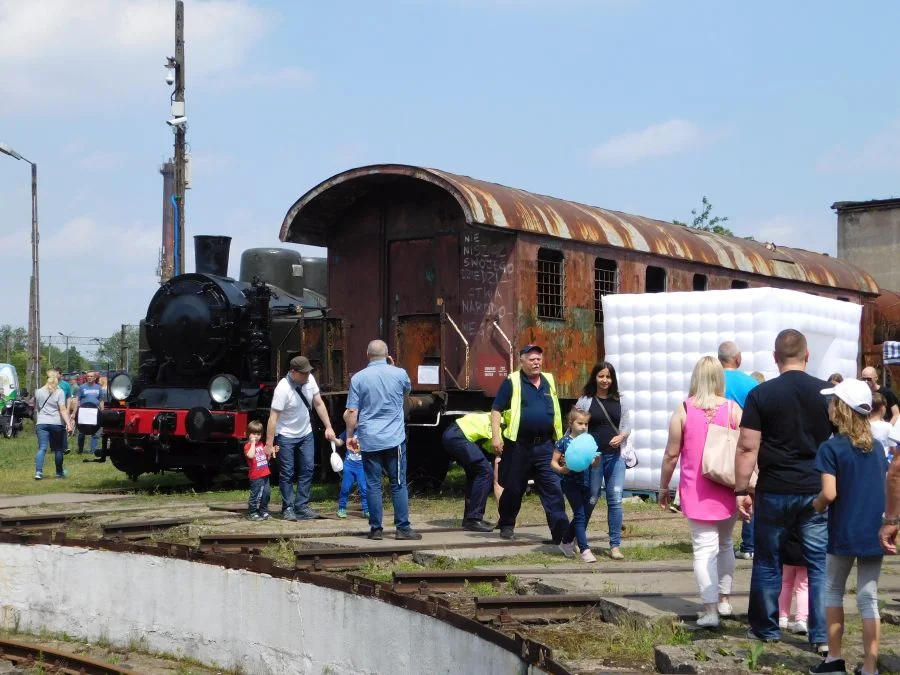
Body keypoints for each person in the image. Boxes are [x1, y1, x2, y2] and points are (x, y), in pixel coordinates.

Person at [735, 329, 833, 652]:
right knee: (818, 562)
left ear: (775, 358)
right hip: (816, 489)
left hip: (774, 488)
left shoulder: (761, 395)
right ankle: (820, 636)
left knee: (767, 559)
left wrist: (740, 490)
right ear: (807, 356)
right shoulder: (829, 393)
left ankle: (766, 629)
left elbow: (748, 447)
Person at [810, 378, 887, 675]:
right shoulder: (878, 448)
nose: (828, 406)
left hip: (844, 530)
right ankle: (870, 666)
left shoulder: (831, 448)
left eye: (832, 402)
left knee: (832, 590)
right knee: (869, 597)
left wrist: (815, 506)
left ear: (841, 409)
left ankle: (834, 658)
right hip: (873, 530)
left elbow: (829, 493)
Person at [659, 356, 743, 627]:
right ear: (720, 378)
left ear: (695, 378)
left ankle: (709, 611)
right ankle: (725, 600)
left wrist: (664, 487)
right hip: (728, 487)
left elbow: (671, 455)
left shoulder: (683, 410)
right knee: (726, 543)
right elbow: (746, 449)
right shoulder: (733, 409)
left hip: (696, 490)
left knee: (703, 550)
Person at [344, 339, 421, 541]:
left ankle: (376, 529)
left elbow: (352, 411)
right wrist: (393, 368)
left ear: (367, 355)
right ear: (387, 355)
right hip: (394, 439)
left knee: (373, 484)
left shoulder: (358, 378)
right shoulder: (399, 374)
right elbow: (406, 391)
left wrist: (350, 436)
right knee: (398, 484)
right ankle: (402, 528)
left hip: (369, 439)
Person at [490, 344, 568, 542]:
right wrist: (496, 436)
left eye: (539, 359)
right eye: (532, 359)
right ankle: (506, 523)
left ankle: (561, 534)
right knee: (514, 488)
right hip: (519, 446)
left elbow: (556, 413)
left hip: (545, 446)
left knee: (553, 488)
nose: (536, 362)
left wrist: (561, 443)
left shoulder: (548, 380)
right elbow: (497, 409)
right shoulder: (512, 381)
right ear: (522, 361)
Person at [265, 355, 337, 521]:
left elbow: (318, 403)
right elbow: (273, 418)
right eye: (303, 373)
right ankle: (288, 508)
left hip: (306, 433)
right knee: (287, 473)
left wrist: (328, 426)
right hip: (286, 435)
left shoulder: (310, 380)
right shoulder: (282, 389)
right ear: (293, 372)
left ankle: (302, 506)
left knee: (308, 469)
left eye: (308, 372)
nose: (307, 376)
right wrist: (269, 444)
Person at [575, 361, 631, 560]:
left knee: (615, 499)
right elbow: (575, 426)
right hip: (594, 458)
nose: (605, 380)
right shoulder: (585, 400)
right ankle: (578, 538)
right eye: (601, 376)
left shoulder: (621, 400)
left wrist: (622, 436)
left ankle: (615, 545)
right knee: (591, 498)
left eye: (608, 377)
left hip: (615, 456)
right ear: (595, 378)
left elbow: (627, 425)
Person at [718, 342, 760, 562]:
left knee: (715, 488)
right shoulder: (751, 383)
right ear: (738, 359)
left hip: (714, 445)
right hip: (744, 443)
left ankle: (715, 542)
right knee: (749, 491)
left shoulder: (712, 381)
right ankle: (749, 544)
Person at [552, 408, 600, 563]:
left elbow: (591, 463)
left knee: (583, 515)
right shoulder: (564, 441)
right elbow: (553, 462)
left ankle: (566, 542)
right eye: (580, 423)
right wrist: (561, 469)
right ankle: (585, 549)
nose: (583, 427)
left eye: (586, 424)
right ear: (570, 423)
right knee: (579, 515)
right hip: (570, 483)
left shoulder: (587, 441)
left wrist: (596, 460)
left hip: (586, 483)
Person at [441, 412, 497, 532]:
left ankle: (469, 519)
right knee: (486, 472)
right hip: (458, 436)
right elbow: (496, 449)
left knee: (475, 473)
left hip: (452, 433)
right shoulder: (503, 425)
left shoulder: (496, 415)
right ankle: (474, 519)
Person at [34, 370, 75, 480]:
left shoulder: (38, 391)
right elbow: (63, 410)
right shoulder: (60, 392)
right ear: (57, 379)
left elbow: (37, 408)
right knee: (58, 449)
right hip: (56, 423)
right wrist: (69, 425)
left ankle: (38, 472)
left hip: (41, 423)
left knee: (42, 448)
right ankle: (59, 472)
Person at [778, 529, 809, 635]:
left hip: (788, 549)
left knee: (786, 583)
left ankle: (782, 617)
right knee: (803, 587)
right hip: (806, 550)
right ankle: (801, 620)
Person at [336, 432, 369, 520]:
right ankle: (342, 508)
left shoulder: (365, 429)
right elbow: (339, 442)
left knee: (364, 488)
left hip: (362, 466)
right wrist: (333, 439)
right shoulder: (347, 431)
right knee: (345, 488)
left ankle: (367, 509)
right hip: (349, 465)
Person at [244, 420, 271, 521]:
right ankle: (253, 512)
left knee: (266, 494)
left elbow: (266, 459)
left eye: (258, 434)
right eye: (253, 433)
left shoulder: (261, 444)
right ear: (248, 434)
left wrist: (271, 451)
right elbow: (250, 455)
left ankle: (263, 511)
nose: (256, 436)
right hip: (256, 476)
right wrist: (252, 444)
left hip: (265, 474)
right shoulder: (248, 446)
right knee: (256, 495)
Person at [74, 371, 105, 455]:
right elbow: (77, 400)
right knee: (81, 432)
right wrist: (74, 411)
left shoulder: (99, 388)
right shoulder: (82, 387)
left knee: (94, 431)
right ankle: (80, 449)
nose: (89, 378)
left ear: (95, 378)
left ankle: (93, 450)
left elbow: (101, 400)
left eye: (91, 376)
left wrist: (102, 411)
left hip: (94, 412)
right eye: (88, 376)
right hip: (83, 412)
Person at [869, 393, 894, 459]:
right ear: (882, 408)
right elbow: (893, 449)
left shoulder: (862, 424)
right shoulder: (887, 426)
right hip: (883, 460)